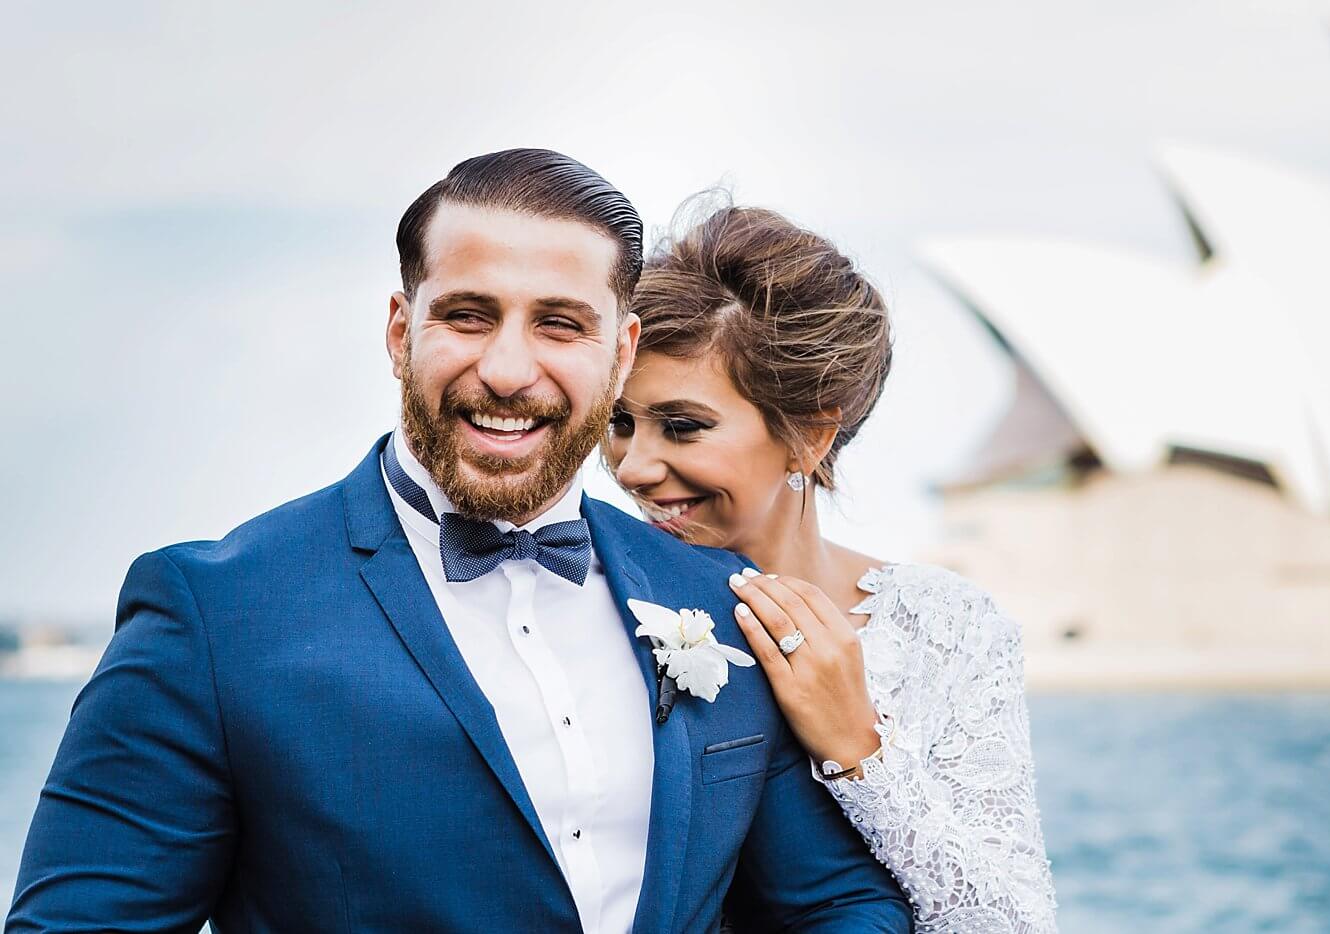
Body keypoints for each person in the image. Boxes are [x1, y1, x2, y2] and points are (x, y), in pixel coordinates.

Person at [6, 151, 912, 933]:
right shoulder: (215, 613)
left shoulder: (721, 600)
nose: (509, 371)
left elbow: (838, 906)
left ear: (622, 352)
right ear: (401, 332)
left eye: (560, 324)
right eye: (468, 316)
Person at [606, 202, 1059, 933]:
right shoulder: (588, 598)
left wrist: (857, 747)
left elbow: (1012, 921)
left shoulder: (946, 628)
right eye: (618, 423)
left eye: (682, 426)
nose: (633, 465)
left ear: (809, 436)